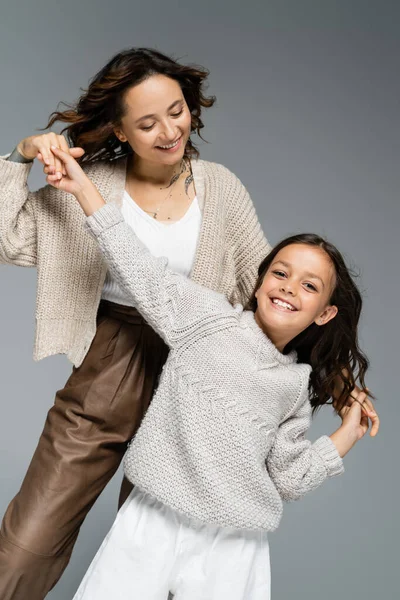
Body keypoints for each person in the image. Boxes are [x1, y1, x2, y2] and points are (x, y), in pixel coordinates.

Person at [46, 145, 379, 600]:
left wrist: (349, 433)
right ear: (260, 282)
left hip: (233, 546)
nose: (288, 288)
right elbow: (138, 266)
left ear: (324, 314)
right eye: (280, 273)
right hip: (153, 517)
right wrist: (83, 188)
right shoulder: (205, 318)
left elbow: (289, 477)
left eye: (309, 286)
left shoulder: (294, 387)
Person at [0, 48, 271, 600]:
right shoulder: (86, 182)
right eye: (147, 122)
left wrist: (337, 376)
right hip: (111, 361)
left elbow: (264, 293)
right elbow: (7, 239)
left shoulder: (221, 189)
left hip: (196, 379)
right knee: (28, 544)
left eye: (177, 111)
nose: (169, 131)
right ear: (120, 130)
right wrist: (18, 155)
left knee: (154, 563)